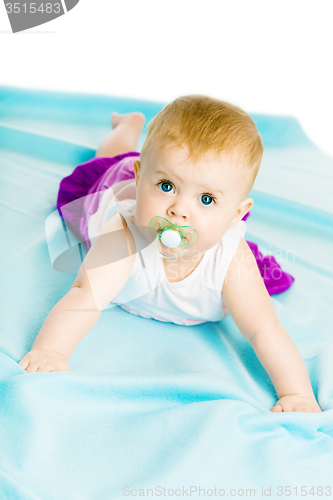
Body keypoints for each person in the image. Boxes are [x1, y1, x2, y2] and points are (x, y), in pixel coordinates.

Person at [18, 95, 322, 413]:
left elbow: (264, 328)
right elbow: (85, 295)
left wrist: (297, 394)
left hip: (194, 214)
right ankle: (128, 125)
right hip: (113, 189)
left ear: (237, 214)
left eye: (206, 199)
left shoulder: (231, 257)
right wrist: (51, 351)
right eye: (166, 186)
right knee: (111, 161)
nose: (178, 211)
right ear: (141, 179)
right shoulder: (122, 234)